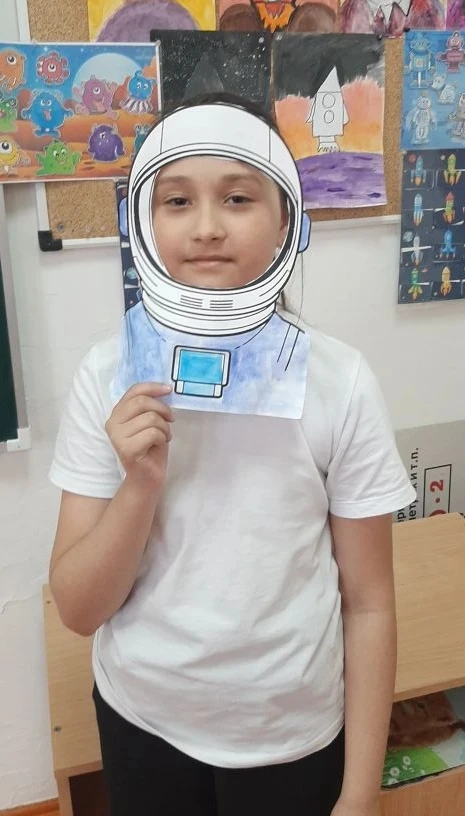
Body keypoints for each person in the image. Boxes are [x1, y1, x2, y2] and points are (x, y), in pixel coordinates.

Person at [49, 97, 415, 816]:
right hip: (143, 719)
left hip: (291, 733)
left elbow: (370, 602)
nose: (207, 227)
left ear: (286, 220)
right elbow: (78, 609)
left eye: (239, 198)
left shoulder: (339, 383)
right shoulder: (106, 375)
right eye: (177, 200)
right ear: (144, 223)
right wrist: (139, 485)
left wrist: (360, 793)